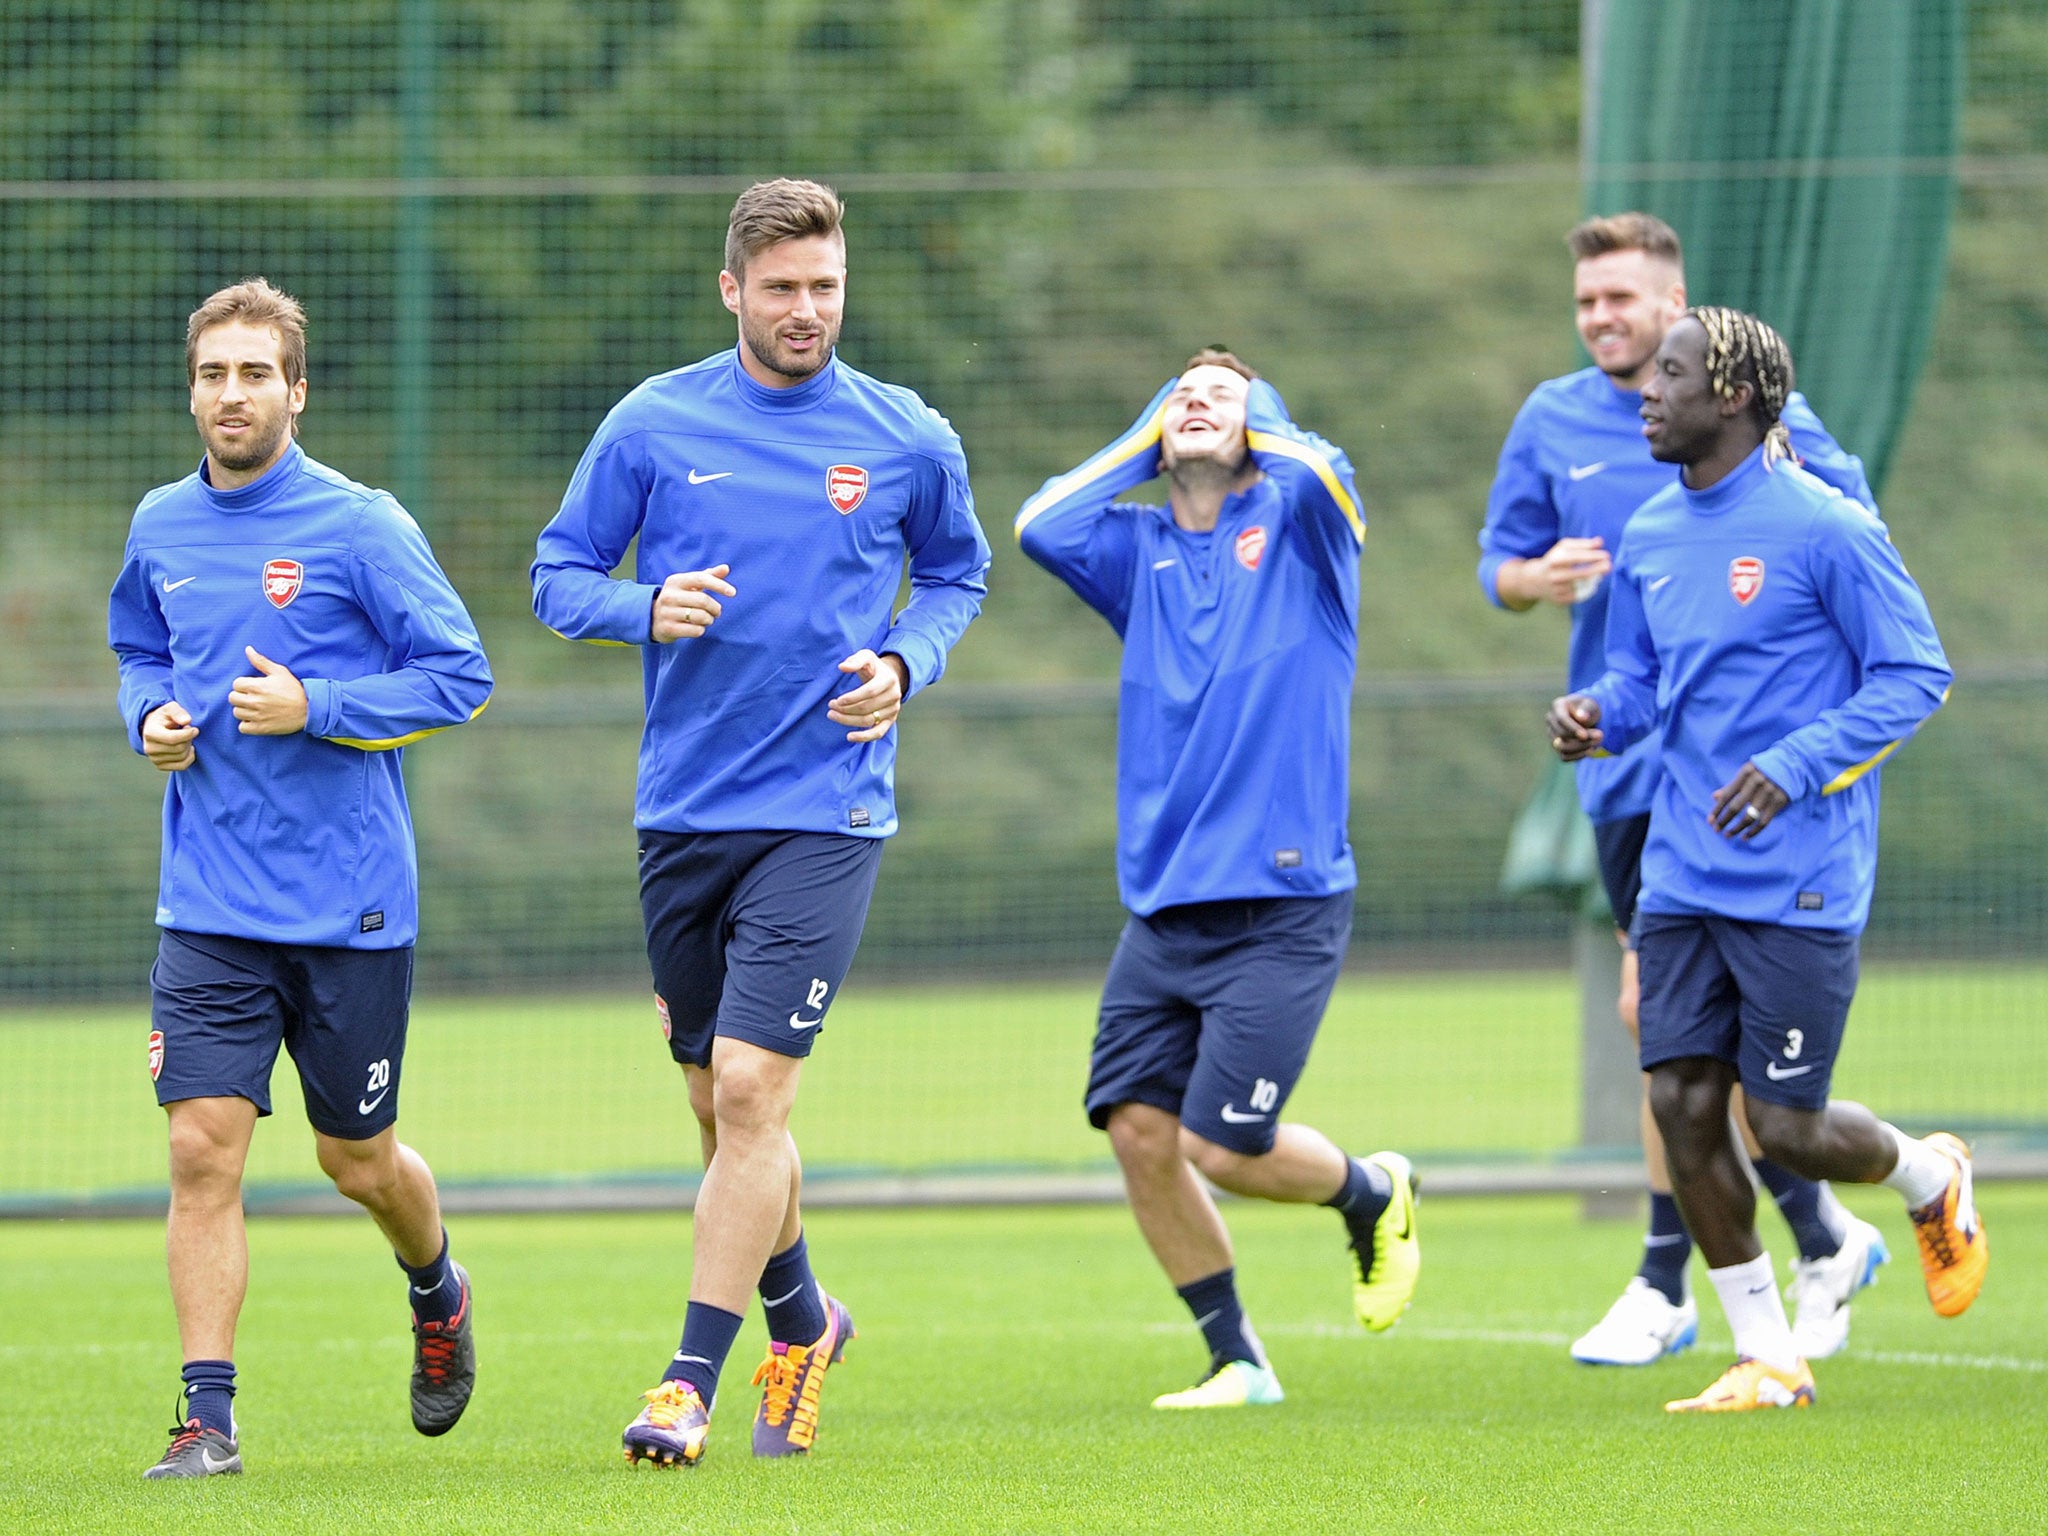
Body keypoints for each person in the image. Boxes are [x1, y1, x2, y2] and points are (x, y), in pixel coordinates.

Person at [531, 179, 990, 1467]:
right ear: (732, 290)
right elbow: (557, 576)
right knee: (718, 1105)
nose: (806, 310)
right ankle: (805, 1315)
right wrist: (643, 607)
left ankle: (688, 1381)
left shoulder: (905, 436)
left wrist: (906, 664)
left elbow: (957, 574)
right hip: (684, 810)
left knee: (747, 1088)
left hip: (826, 810)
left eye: (825, 288)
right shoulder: (653, 422)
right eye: (781, 289)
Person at [1548, 306, 1985, 1413]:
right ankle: (1766, 1355)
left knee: (1782, 1123)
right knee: (1683, 1106)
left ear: (1733, 395)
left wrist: (1793, 765)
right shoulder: (1648, 533)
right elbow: (1646, 684)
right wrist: (1600, 713)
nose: (1647, 391)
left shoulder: (1823, 527)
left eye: (1672, 373)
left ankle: (1930, 1177)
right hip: (1682, 870)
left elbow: (1912, 676)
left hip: (1800, 875)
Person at [1479, 213, 1888, 1366]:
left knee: (1727, 1081)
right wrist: (1533, 585)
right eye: (1584, 304)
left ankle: (1688, 1270)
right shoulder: (1555, 424)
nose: (1601, 321)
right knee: (1668, 1058)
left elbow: (1864, 593)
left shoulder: (1785, 449)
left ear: (1676, 304)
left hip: (1760, 811)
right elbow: (1501, 572)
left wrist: (1797, 747)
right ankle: (1772, 1270)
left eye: (1622, 301)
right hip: (1633, 786)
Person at [109, 278, 494, 1478]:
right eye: (215, 373)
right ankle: (206, 1420)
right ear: (193, 389)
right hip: (209, 905)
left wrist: (315, 706)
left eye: (255, 373)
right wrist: (149, 717)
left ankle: (436, 1287)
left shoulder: (361, 524)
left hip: (349, 906)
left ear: (296, 389)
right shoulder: (159, 526)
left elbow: (459, 675)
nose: (233, 393)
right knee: (200, 1149)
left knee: (355, 1160)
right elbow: (135, 647)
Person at [1015, 349, 1418, 1411]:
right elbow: (1039, 522)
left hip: (1282, 903)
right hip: (1161, 906)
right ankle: (1237, 1359)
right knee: (1140, 1134)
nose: (1195, 399)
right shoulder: (1133, 546)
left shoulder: (1305, 528)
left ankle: (1371, 1191)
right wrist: (1157, 435)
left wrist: (1252, 420)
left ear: (1265, 421)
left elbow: (1322, 472)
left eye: (1221, 392)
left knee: (1222, 1143)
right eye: (1176, 389)